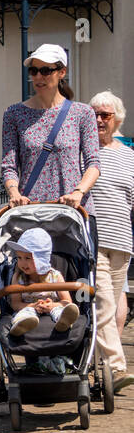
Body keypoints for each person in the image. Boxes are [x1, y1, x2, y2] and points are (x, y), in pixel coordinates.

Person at [2, 44, 100, 209]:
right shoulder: (14, 114)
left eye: (46, 71)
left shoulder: (83, 113)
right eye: (34, 71)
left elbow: (94, 163)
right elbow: (9, 166)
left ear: (62, 72)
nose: (39, 77)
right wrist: (15, 194)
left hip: (73, 211)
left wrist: (78, 192)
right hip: (31, 211)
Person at [88, 92, 134, 391]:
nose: (100, 120)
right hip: (94, 239)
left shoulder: (129, 156)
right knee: (104, 305)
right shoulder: (85, 152)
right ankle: (117, 369)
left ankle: (94, 371)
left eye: (105, 115)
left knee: (111, 313)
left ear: (117, 118)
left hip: (122, 243)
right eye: (95, 114)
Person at [5, 228, 80, 335]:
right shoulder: (18, 278)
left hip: (52, 306)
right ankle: (22, 324)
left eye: (27, 258)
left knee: (59, 310)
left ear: (40, 259)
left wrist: (52, 305)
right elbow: (15, 303)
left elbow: (67, 301)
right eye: (19, 258)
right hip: (29, 307)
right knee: (25, 313)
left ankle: (64, 322)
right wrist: (33, 306)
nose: (22, 263)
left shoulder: (55, 276)